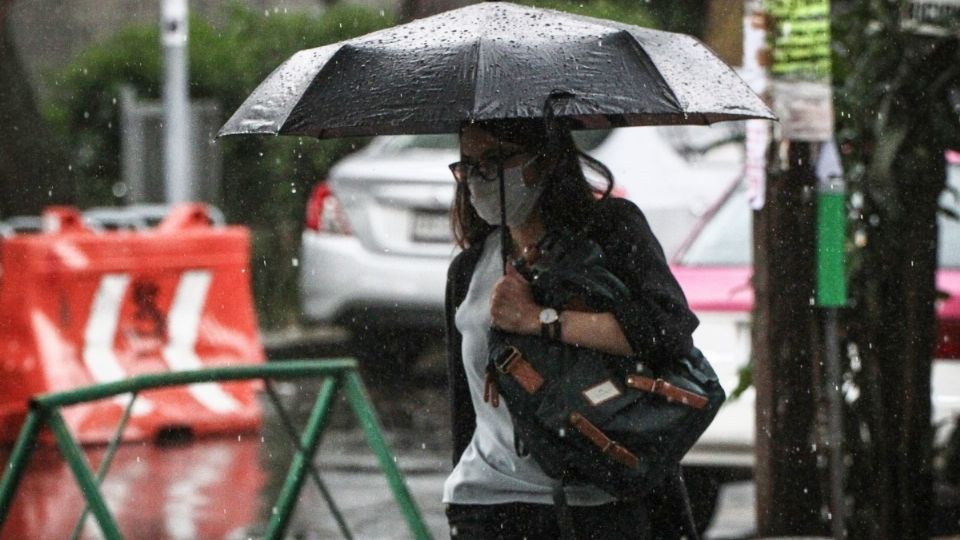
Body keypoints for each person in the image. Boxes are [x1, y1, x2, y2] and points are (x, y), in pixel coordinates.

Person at [442, 117, 700, 539]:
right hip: (490, 508)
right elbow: (466, 412)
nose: (480, 177)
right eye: (468, 164)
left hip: (600, 505)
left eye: (497, 158)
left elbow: (666, 334)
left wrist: (540, 320)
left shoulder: (609, 234)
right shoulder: (468, 271)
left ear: (545, 160)